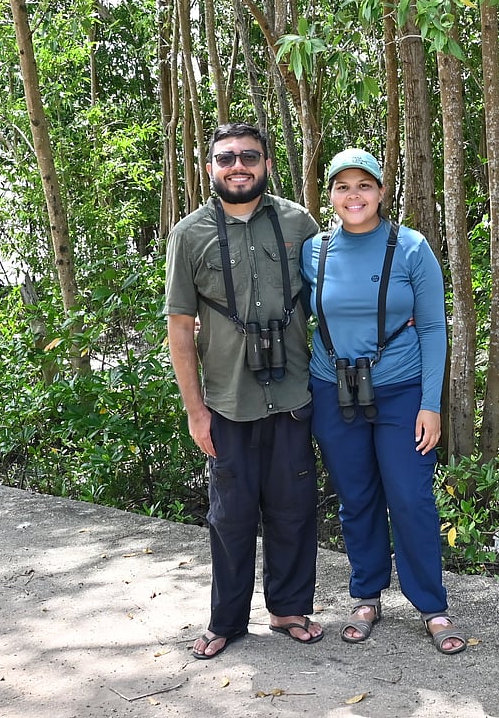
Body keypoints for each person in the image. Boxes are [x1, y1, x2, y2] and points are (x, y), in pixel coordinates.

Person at [165, 122, 325, 659]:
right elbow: (179, 326)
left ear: (266, 164)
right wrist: (195, 411)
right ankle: (227, 621)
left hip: (293, 394)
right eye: (226, 157)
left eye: (249, 157)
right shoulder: (190, 234)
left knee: (294, 509)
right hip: (227, 401)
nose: (238, 166)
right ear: (209, 167)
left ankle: (288, 609)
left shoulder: (299, 223)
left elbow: (329, 298)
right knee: (230, 517)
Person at [301, 148, 466, 655]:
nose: (354, 196)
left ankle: (431, 605)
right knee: (356, 497)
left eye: (364, 185)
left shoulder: (412, 247)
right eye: (342, 186)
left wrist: (431, 404)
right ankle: (366, 596)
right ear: (330, 195)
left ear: (381, 191)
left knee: (411, 497)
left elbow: (434, 327)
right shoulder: (313, 251)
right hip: (333, 388)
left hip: (400, 391)